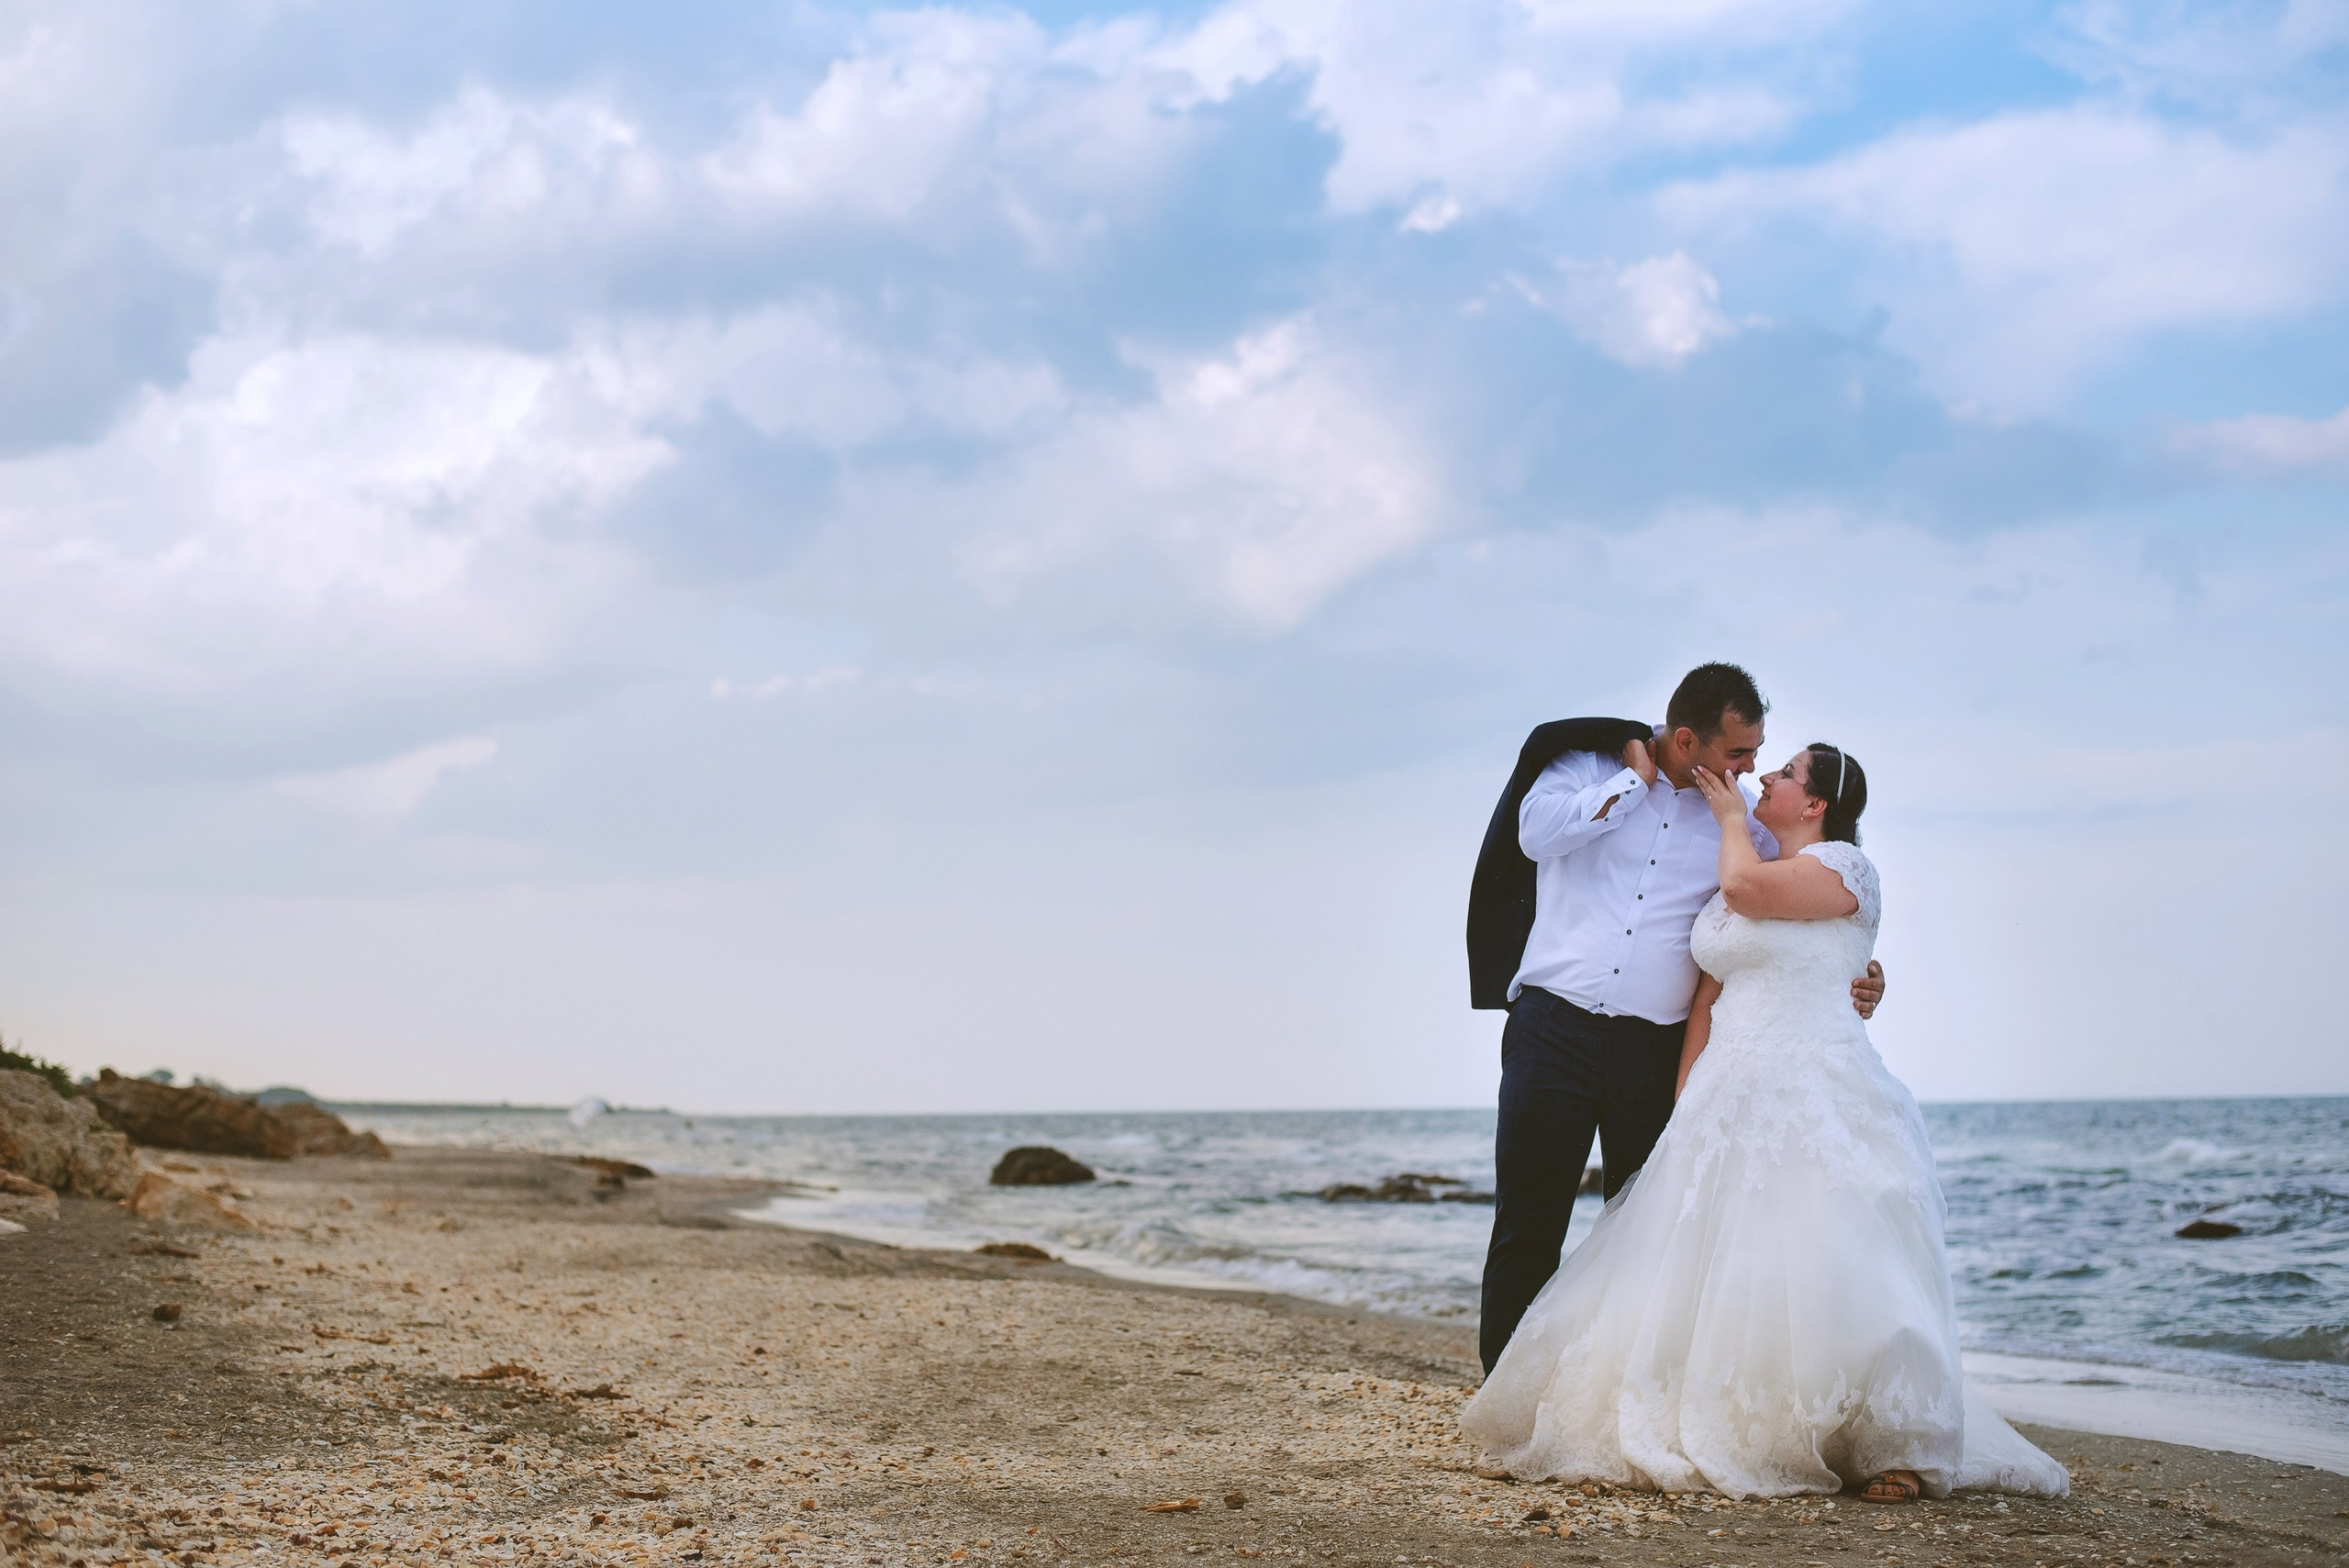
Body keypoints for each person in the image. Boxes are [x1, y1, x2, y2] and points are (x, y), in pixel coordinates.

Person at [1460, 743, 2069, 1502]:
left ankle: (1894, 1442)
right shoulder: (1734, 872)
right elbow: (1707, 995)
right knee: (1721, 1269)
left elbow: (1751, 889)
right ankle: (1740, 1417)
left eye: (1782, 773)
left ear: (1814, 803)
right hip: (1728, 1085)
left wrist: (1725, 818)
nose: (1765, 778)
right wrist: (1688, 1093)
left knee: (1836, 1259)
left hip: (1816, 1081)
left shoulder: (1843, 867)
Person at [1472, 663, 1883, 1374]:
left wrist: (1860, 968)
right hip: (1552, 1029)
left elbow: (1795, 899)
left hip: (1654, 1050)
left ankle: (1621, 1391)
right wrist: (1630, 783)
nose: (1751, 770)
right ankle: (1503, 1392)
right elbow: (1535, 835)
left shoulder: (1743, 826)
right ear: (1687, 738)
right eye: (1737, 753)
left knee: (1649, 1227)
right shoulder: (1583, 767)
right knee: (1529, 1220)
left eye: (1760, 753)